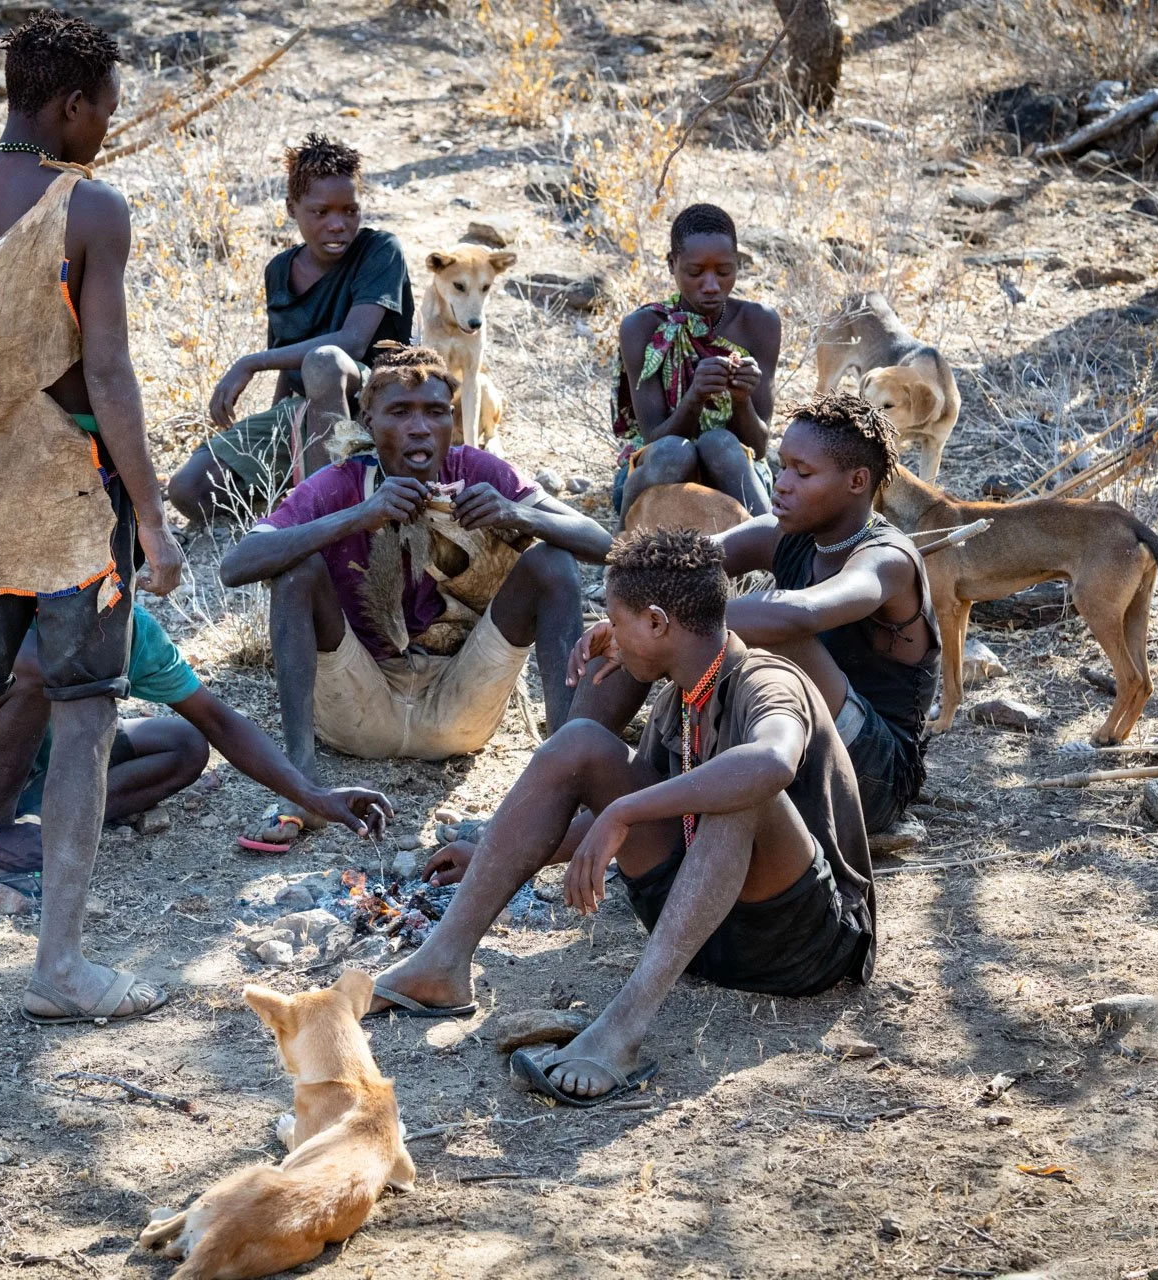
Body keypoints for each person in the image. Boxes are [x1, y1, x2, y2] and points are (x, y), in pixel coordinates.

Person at [0, 12, 186, 1024]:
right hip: (70, 494)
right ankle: (58, 963)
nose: (107, 124)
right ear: (70, 103)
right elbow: (106, 369)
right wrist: (150, 515)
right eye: (106, 106)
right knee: (87, 713)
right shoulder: (91, 210)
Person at [371, 529, 876, 1106]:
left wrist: (626, 808)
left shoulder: (765, 679)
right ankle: (441, 963)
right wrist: (489, 852)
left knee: (742, 790)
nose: (605, 632)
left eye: (616, 617)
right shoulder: (677, 699)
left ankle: (621, 1031)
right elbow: (642, 818)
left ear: (659, 622)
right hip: (704, 931)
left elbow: (771, 762)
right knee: (581, 741)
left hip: (802, 945)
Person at [219, 344, 611, 847]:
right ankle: (304, 786)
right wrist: (359, 517)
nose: (420, 427)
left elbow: (602, 544)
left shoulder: (480, 472)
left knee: (552, 561)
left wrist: (518, 515)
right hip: (357, 706)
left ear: (452, 422)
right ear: (369, 422)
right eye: (400, 412)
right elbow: (236, 566)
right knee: (295, 572)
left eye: (435, 412)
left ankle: (565, 782)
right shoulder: (342, 483)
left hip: (458, 705)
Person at [570, 392, 940, 835]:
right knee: (641, 624)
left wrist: (668, 627)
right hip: (785, 731)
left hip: (871, 774)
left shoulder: (887, 559)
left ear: (857, 481)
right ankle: (572, 779)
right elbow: (674, 568)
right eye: (782, 466)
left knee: (757, 627)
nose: (782, 483)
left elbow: (800, 614)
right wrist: (627, 625)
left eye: (803, 473)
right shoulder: (784, 534)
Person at [0, 603, 393, 891]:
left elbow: (217, 722)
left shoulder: (123, 622)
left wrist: (313, 795)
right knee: (36, 670)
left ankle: (51, 821)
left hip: (35, 769)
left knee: (183, 743)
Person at [166, 134, 415, 523]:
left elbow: (352, 342)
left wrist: (249, 363)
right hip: (306, 411)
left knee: (325, 362)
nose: (338, 225)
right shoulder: (280, 270)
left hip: (375, 403)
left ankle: (329, 519)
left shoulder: (381, 250)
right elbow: (286, 359)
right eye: (321, 212)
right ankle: (300, 497)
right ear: (291, 209)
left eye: (350, 211)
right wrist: (275, 452)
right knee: (187, 489)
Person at [613, 203, 780, 521]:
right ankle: (621, 552)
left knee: (718, 442)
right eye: (694, 272)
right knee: (677, 452)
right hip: (657, 472)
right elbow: (653, 439)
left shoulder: (760, 322)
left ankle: (777, 556)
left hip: (733, 474)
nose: (711, 285)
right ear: (671, 264)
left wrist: (741, 400)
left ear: (737, 266)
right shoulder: (642, 327)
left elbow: (757, 448)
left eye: (724, 271)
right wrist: (695, 397)